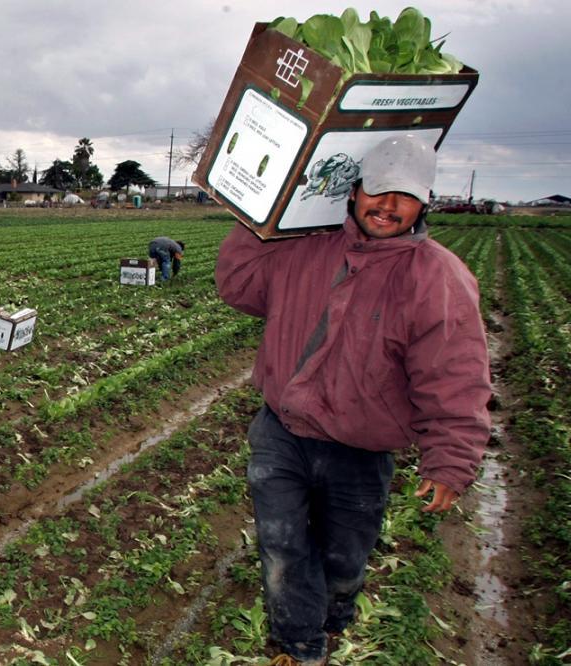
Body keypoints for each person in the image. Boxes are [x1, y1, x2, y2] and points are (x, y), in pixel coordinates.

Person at [214, 135, 491, 665]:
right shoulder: (304, 246)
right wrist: (258, 218)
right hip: (283, 433)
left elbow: (454, 373)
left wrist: (450, 458)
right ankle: (299, 645)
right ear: (354, 192)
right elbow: (238, 287)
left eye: (404, 197)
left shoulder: (436, 277)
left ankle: (336, 613)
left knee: (344, 560)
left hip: (360, 449)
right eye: (377, 191)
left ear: (423, 202)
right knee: (282, 547)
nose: (387, 206)